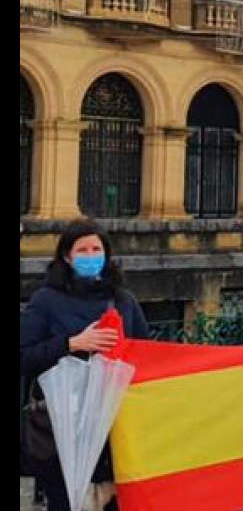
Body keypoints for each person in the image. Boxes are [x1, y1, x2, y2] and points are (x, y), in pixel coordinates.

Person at [20, 218, 149, 511]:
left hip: (115, 431)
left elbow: (145, 354)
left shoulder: (123, 300)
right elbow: (25, 356)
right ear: (67, 256)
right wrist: (72, 343)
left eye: (96, 249)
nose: (91, 256)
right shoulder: (46, 300)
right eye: (82, 250)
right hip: (65, 432)